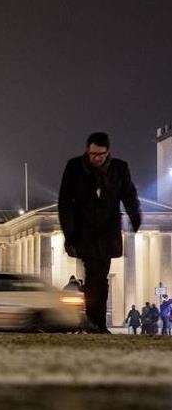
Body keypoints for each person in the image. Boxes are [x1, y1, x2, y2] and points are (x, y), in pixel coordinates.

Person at [58, 132, 141, 333]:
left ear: (107, 152)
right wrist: (69, 235)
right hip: (83, 231)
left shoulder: (120, 168)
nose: (97, 158)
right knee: (93, 275)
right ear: (88, 150)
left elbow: (129, 194)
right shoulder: (74, 167)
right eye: (93, 154)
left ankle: (97, 322)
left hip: (108, 231)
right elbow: (65, 203)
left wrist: (135, 216)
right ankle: (95, 321)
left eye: (101, 155)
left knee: (100, 278)